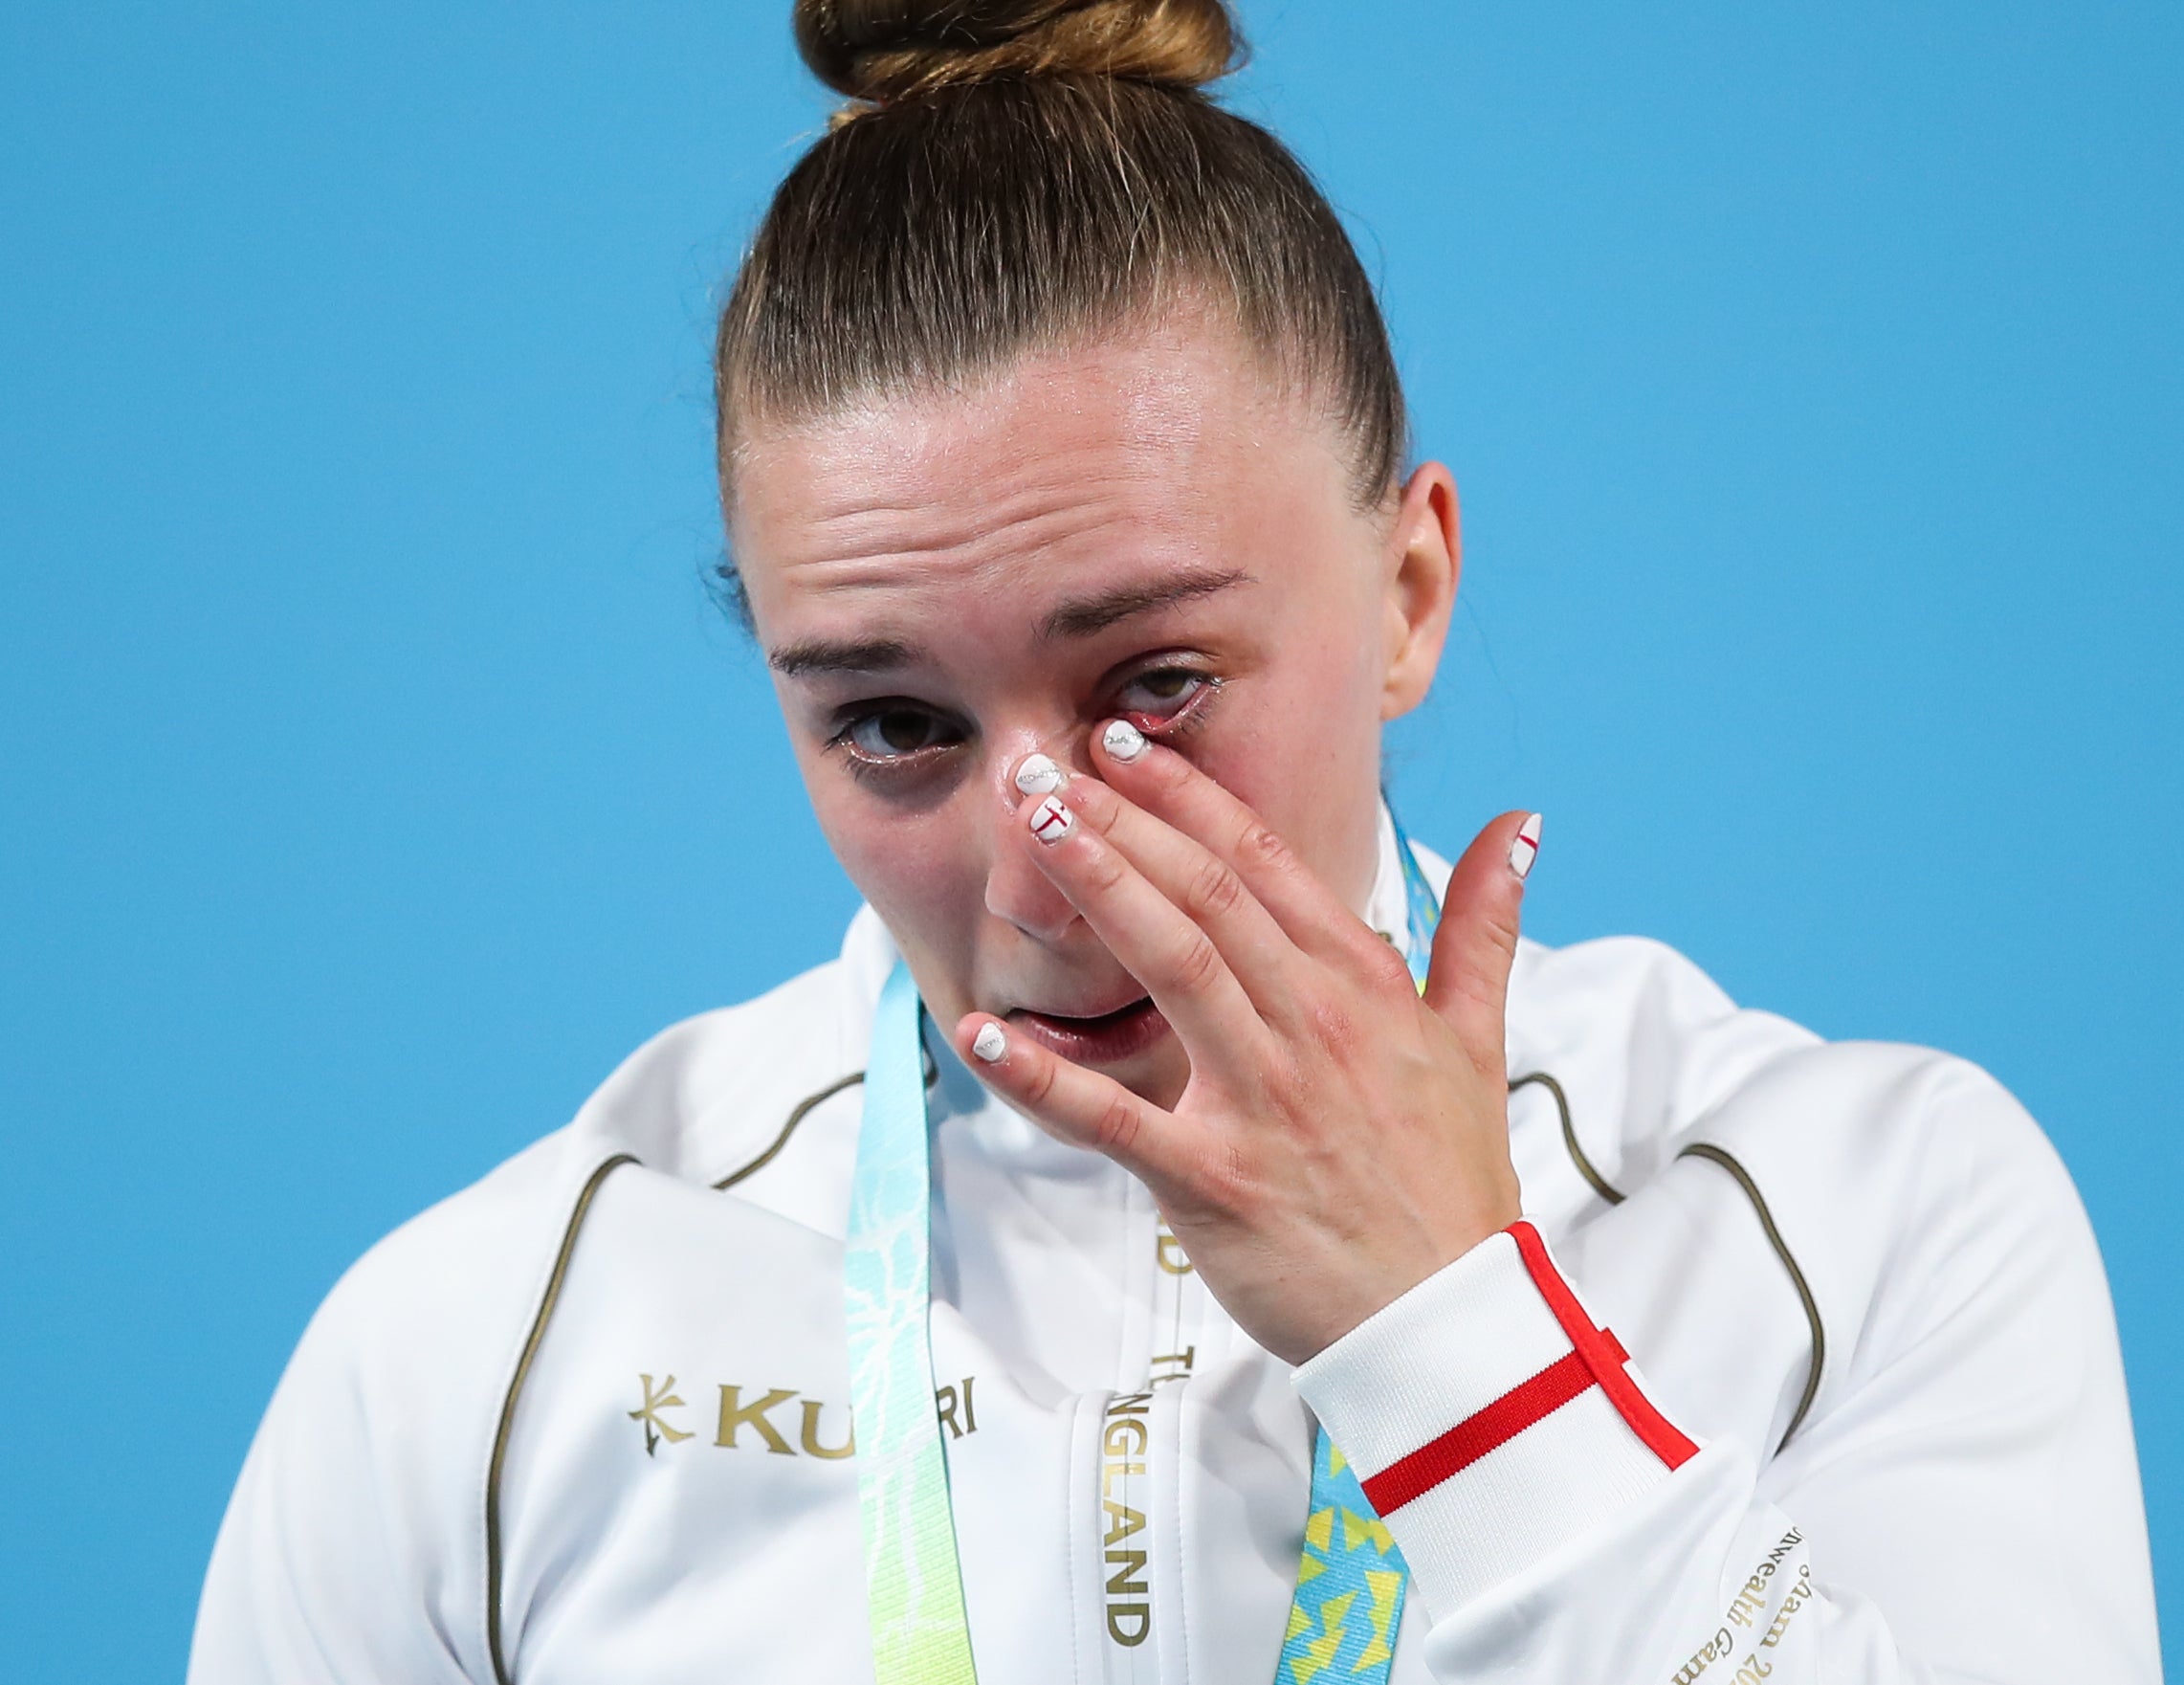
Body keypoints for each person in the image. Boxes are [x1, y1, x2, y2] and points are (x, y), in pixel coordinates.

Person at [188, 2, 2158, 1680]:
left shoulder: (1860, 1211)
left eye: (1149, 685)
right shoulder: (479, 1350)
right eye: (892, 723)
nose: (1045, 868)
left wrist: (1450, 1328)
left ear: (1404, 591)